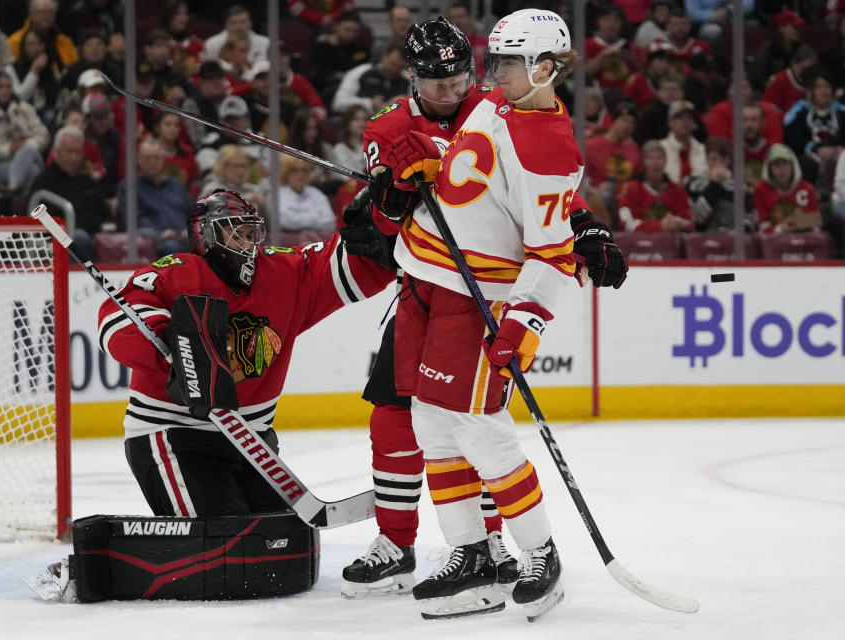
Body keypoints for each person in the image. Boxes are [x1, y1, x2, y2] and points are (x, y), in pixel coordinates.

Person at [341, 16, 627, 603]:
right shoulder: (498, 104)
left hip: (475, 295)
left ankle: (538, 553)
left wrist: (527, 321)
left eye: (507, 64)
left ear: (546, 67)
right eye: (492, 62)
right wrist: (410, 175)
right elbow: (463, 180)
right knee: (430, 423)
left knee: (480, 429)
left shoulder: (547, 145)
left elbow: (550, 250)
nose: (490, 77)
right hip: (422, 280)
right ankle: (469, 552)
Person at [98, 188, 395, 520]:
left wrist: (385, 223)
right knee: (224, 546)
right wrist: (170, 342)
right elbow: (116, 319)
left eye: (252, 233)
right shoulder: (177, 273)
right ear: (206, 236)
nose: (249, 244)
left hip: (253, 442)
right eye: (236, 233)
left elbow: (353, 265)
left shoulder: (284, 270)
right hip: (175, 436)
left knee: (283, 549)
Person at [28, 126, 112, 259]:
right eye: (69, 151)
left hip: (89, 238)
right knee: (78, 238)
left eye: (78, 152)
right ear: (56, 152)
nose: (74, 157)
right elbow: (43, 223)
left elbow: (104, 215)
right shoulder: (43, 183)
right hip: (51, 244)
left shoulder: (88, 182)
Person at [0, 71, 49, 195]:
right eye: (0, 87)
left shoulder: (25, 109)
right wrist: (9, 149)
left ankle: (12, 189)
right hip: (0, 165)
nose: (5, 91)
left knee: (27, 151)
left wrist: (25, 144)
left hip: (32, 155)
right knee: (33, 171)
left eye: (8, 86)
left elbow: (43, 135)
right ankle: (23, 204)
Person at [116, 137, 194, 256]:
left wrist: (188, 231)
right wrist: (159, 234)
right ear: (139, 160)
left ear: (163, 160)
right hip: (155, 241)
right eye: (148, 158)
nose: (153, 162)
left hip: (184, 238)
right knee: (171, 247)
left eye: (156, 158)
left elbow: (191, 214)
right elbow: (133, 222)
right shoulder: (129, 187)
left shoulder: (177, 185)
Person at [617, 140, 693, 232]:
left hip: (672, 242)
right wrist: (659, 226)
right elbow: (625, 224)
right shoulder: (632, 189)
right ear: (643, 162)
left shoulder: (677, 190)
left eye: (659, 158)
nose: (655, 162)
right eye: (650, 158)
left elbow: (690, 222)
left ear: (665, 161)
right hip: (640, 243)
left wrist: (681, 224)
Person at [684, 137, 756, 232]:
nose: (718, 164)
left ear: (729, 160)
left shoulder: (740, 186)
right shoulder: (692, 183)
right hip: (702, 239)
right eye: (714, 159)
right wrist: (714, 185)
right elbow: (697, 218)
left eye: (723, 160)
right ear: (706, 159)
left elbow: (750, 217)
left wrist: (739, 230)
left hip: (734, 238)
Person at [753, 143, 821, 234]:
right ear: (769, 168)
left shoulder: (807, 188)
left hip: (805, 239)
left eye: (785, 163)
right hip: (774, 241)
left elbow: (816, 220)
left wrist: (792, 224)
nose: (782, 169)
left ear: (793, 166)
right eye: (776, 164)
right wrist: (780, 229)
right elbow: (763, 225)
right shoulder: (761, 189)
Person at [8, 0, 79, 68]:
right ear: (31, 14)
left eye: (51, 12)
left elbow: (75, 70)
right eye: (42, 12)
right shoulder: (15, 42)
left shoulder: (65, 42)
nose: (47, 16)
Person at [278, 155, 335, 235]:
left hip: (316, 242)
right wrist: (315, 217)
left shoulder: (316, 193)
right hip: (288, 244)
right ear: (286, 172)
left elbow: (330, 223)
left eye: (304, 170)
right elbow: (284, 222)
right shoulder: (278, 195)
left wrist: (298, 220)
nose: (300, 174)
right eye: (294, 170)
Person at [658, 99, 708, 184]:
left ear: (694, 123)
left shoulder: (703, 150)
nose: (685, 122)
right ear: (670, 122)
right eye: (679, 118)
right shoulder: (660, 148)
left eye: (689, 117)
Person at [204, 5, 269, 65]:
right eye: (233, 23)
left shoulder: (266, 43)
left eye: (243, 22)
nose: (239, 27)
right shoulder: (211, 44)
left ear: (250, 23)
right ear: (226, 25)